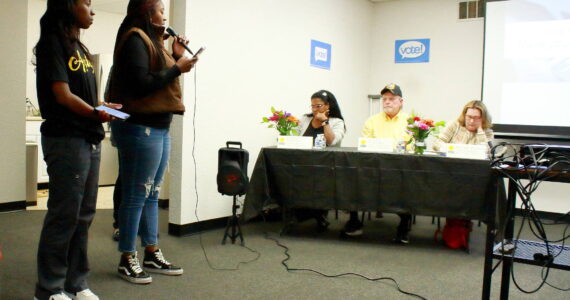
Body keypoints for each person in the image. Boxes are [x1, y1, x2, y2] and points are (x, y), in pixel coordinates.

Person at [33, 0, 120, 299]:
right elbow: (63, 95)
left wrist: (100, 107)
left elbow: (82, 96)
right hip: (65, 138)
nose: (92, 10)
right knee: (65, 214)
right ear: (68, 5)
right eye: (86, 3)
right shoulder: (51, 44)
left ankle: (76, 283)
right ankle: (49, 289)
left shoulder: (80, 49)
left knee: (84, 215)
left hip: (88, 136)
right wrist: (95, 113)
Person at [108, 0, 197, 284]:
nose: (164, 14)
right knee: (136, 195)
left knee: (152, 193)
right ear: (146, 13)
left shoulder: (154, 42)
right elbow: (141, 84)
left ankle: (151, 251)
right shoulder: (135, 38)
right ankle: (126, 258)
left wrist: (175, 55)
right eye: (160, 9)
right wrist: (177, 69)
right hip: (139, 127)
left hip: (159, 126)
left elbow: (156, 77)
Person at [342, 83, 412, 244]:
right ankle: (354, 222)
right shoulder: (372, 121)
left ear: (401, 101)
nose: (387, 102)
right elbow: (365, 144)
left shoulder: (411, 121)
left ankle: (404, 225)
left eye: (392, 99)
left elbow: (411, 147)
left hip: (399, 168)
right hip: (374, 167)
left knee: (410, 183)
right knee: (352, 178)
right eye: (384, 99)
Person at [294, 90, 346, 231]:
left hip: (326, 166)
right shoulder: (304, 119)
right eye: (312, 106)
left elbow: (332, 142)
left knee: (319, 181)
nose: (315, 109)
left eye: (318, 106)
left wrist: (325, 122)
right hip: (303, 163)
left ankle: (318, 214)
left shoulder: (337, 122)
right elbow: (294, 138)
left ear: (328, 105)